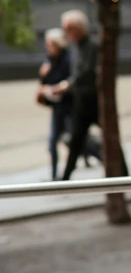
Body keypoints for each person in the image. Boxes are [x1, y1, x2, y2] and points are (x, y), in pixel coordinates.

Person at [54, 9, 127, 181]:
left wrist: (67, 85)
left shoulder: (93, 45)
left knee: (110, 136)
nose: (66, 34)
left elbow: (87, 72)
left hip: (95, 101)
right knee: (76, 140)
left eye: (68, 29)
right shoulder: (76, 48)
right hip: (81, 103)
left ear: (78, 28)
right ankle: (65, 178)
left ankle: (124, 172)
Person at [36, 28, 100, 180]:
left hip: (72, 106)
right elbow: (46, 82)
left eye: (50, 44)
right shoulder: (50, 61)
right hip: (58, 108)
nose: (48, 47)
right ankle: (56, 177)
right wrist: (43, 77)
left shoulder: (69, 58)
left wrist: (61, 86)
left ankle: (105, 161)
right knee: (55, 142)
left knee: (77, 141)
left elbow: (77, 76)